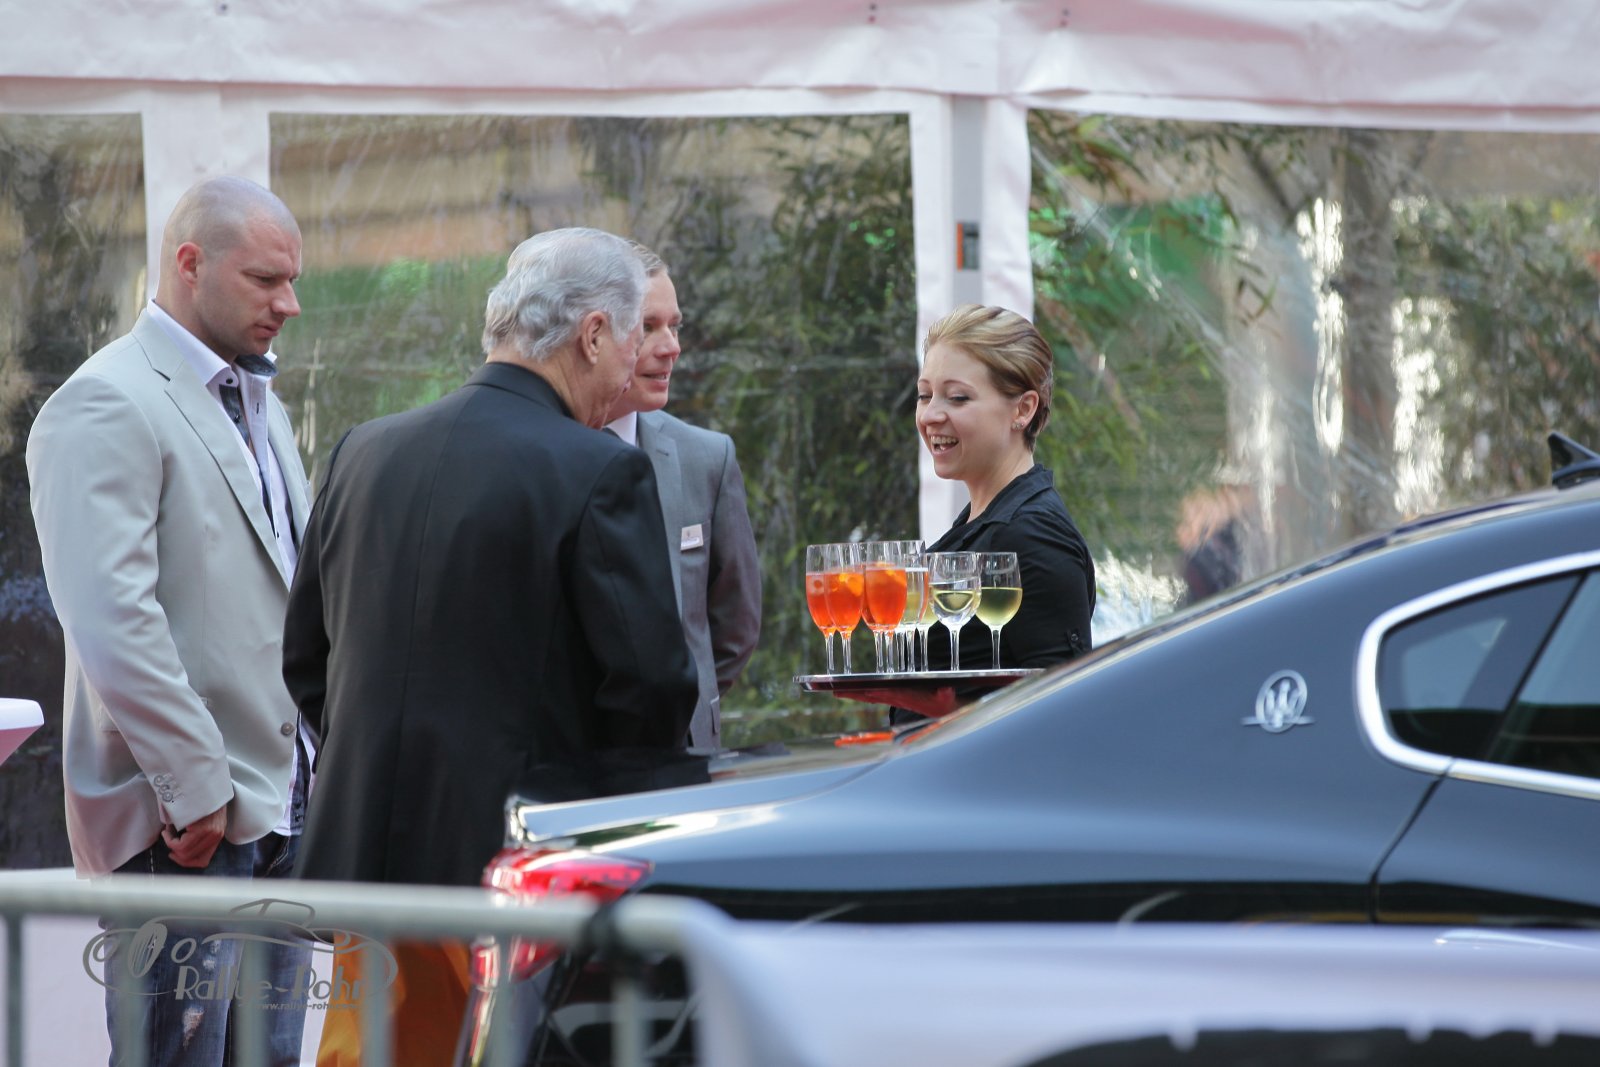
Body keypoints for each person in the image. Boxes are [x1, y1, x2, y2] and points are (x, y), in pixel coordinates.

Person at [282, 226, 698, 1065]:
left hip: (369, 867)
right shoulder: (598, 469)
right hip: (513, 876)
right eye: (633, 337)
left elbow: (305, 660)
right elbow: (651, 689)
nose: (637, 363)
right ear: (592, 335)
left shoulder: (365, 449)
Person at [26, 175, 313, 1066]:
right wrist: (196, 787)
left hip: (277, 808)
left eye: (291, 280)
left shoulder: (259, 401)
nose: (289, 303)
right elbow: (111, 618)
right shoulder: (104, 398)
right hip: (183, 826)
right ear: (190, 263)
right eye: (265, 279)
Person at [889, 304, 1097, 719]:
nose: (930, 415)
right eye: (925, 395)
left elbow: (1065, 712)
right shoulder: (985, 521)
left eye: (958, 397)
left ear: (1023, 410)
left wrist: (938, 708)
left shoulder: (1031, 536)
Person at [602, 243, 761, 752]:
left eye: (675, 326)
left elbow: (735, 627)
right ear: (594, 335)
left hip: (685, 754)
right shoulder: (538, 454)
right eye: (648, 327)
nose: (670, 346)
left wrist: (684, 705)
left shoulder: (707, 457)